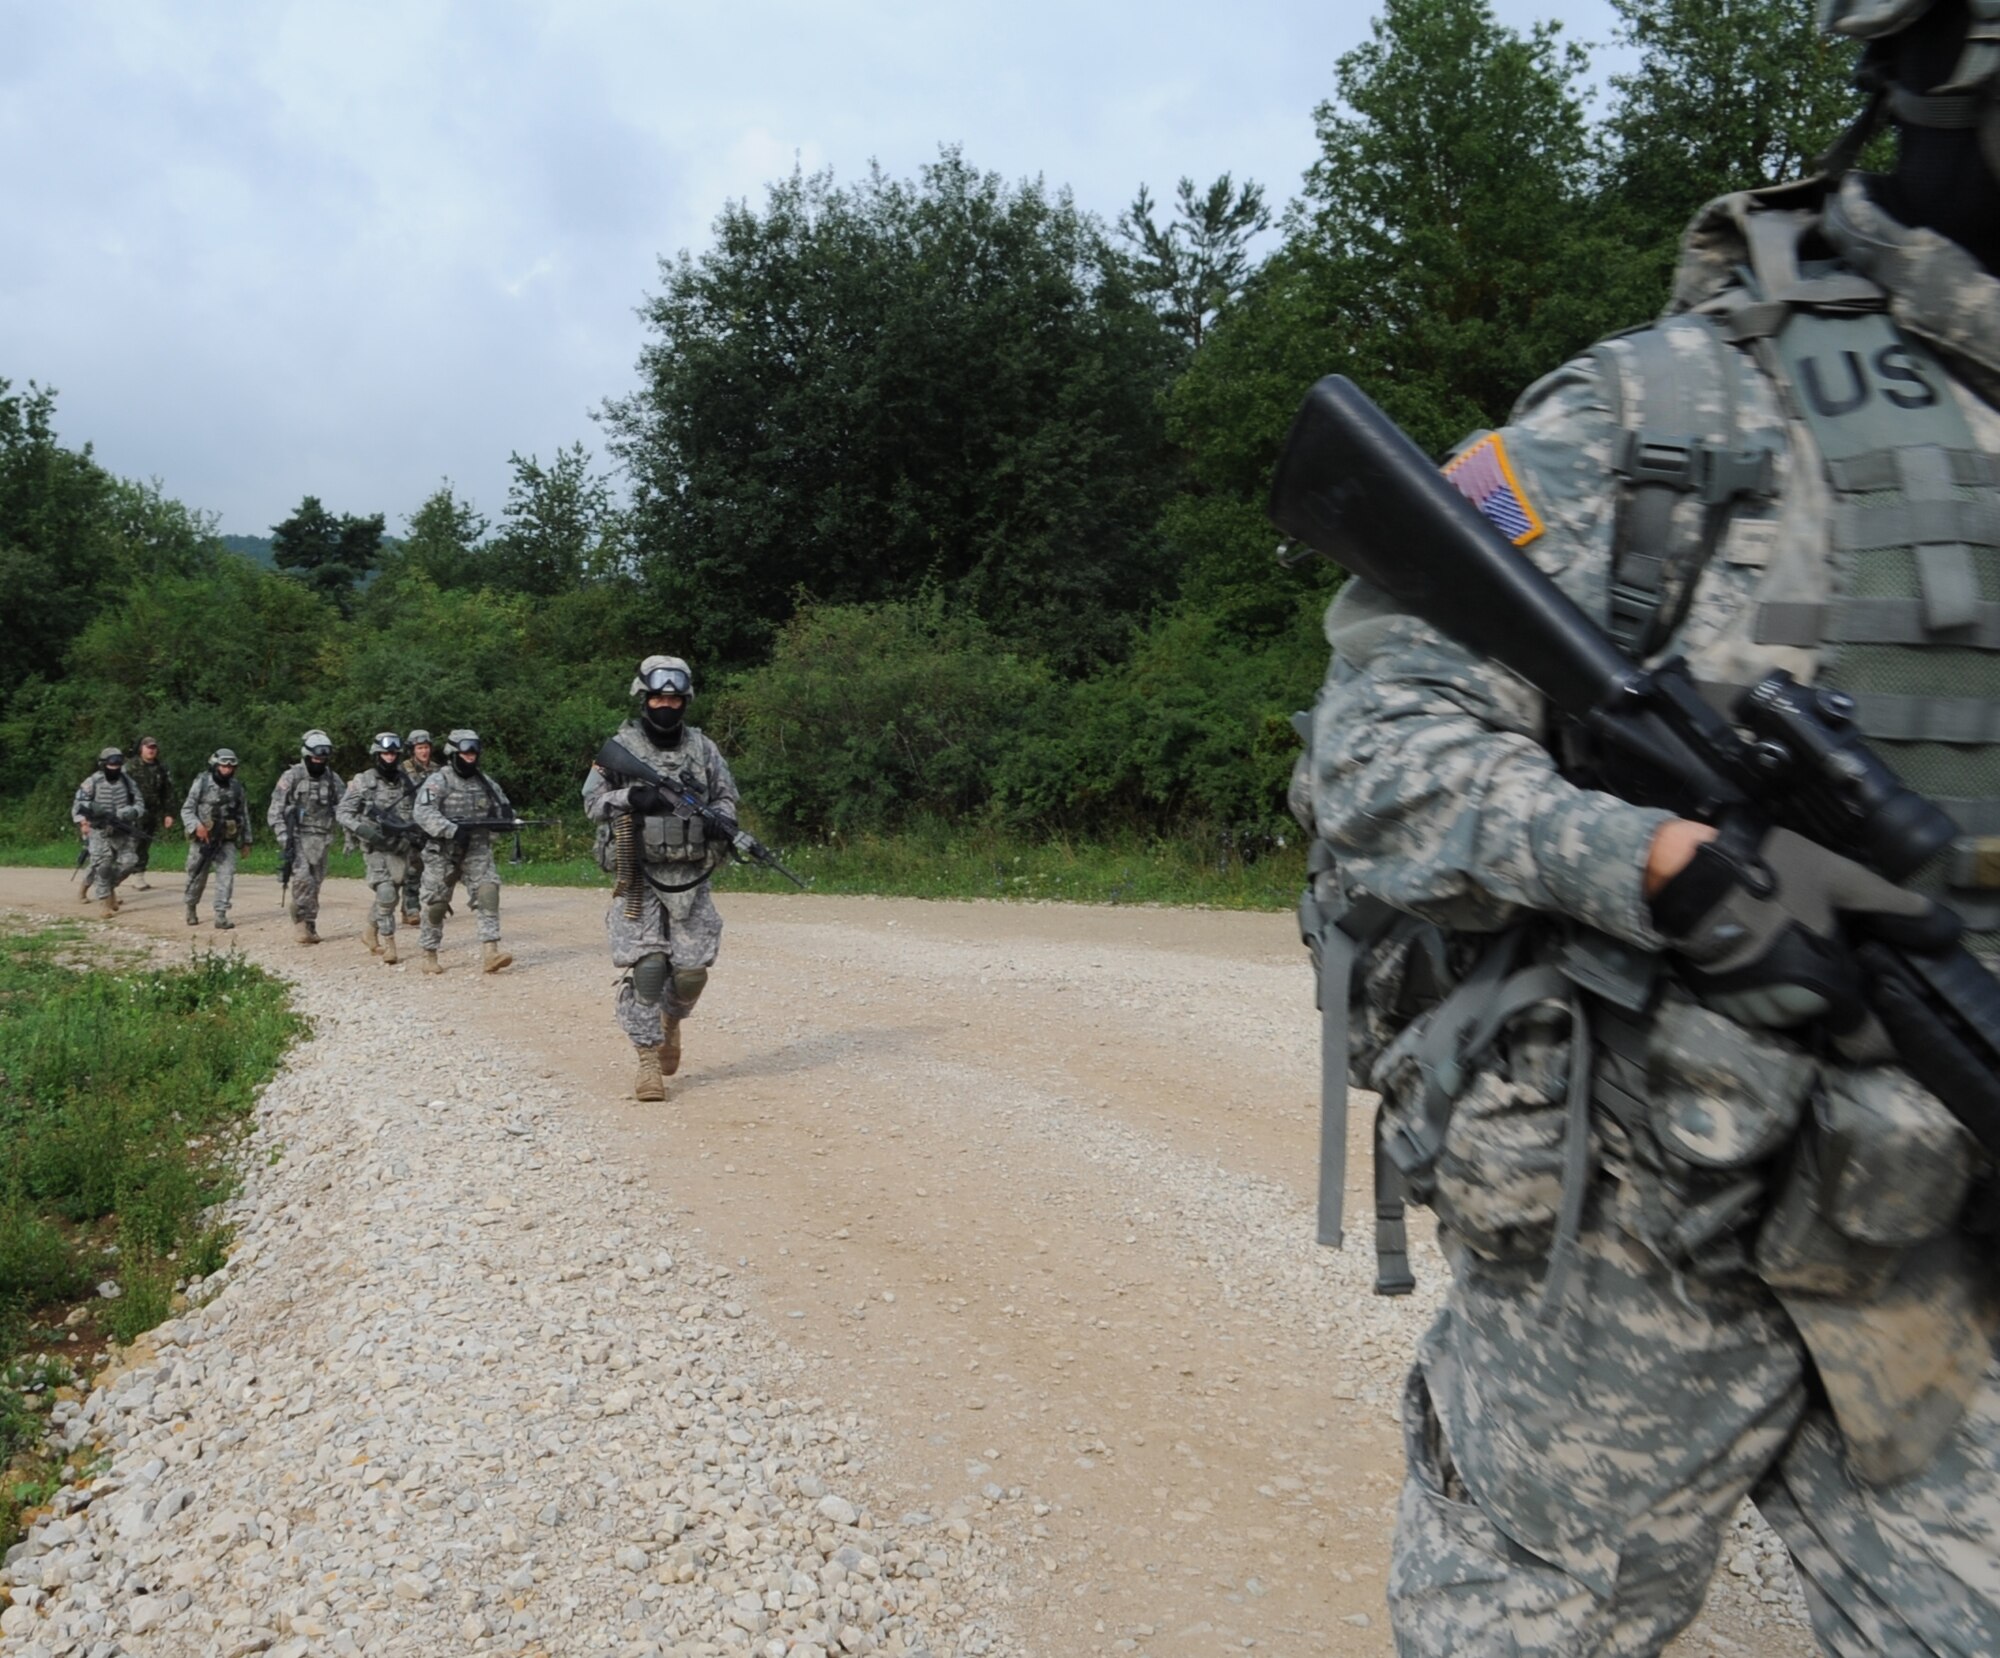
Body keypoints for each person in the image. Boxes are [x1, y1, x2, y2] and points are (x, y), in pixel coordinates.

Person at [1297, 3, 2000, 1650]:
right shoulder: (1675, 405)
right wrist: (1671, 868)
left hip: (1928, 1239)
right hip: (1633, 1240)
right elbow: (1380, 749)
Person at [582, 654, 742, 1101]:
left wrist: (719, 821)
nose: (666, 705)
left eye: (674, 698)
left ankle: (672, 1022)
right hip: (638, 872)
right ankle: (647, 1060)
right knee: (650, 968)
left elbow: (727, 798)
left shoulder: (704, 748)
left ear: (685, 700)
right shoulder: (621, 746)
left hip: (690, 874)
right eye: (658, 697)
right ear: (643, 697)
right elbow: (591, 803)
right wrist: (632, 795)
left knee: (690, 975)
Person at [410, 728, 515, 975]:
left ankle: (491, 951)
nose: (471, 755)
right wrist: (451, 830)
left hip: (477, 849)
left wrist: (504, 823)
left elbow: (504, 809)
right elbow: (423, 812)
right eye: (466, 750)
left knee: (488, 891)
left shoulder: (485, 782)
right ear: (454, 752)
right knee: (436, 904)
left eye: (474, 750)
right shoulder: (439, 780)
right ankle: (429, 952)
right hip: (442, 852)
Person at [336, 731, 418, 964]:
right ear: (377, 754)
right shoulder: (363, 781)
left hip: (399, 845)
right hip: (374, 846)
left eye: (393, 753)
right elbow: (343, 812)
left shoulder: (405, 781)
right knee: (386, 892)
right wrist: (364, 830)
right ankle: (389, 943)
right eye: (385, 753)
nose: (389, 757)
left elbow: (416, 810)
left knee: (392, 894)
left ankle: (369, 930)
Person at [267, 729, 344, 946]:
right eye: (315, 758)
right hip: (297, 836)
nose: (319, 762)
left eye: (323, 759)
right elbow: (275, 810)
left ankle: (310, 922)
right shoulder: (292, 776)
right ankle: (300, 920)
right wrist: (283, 836)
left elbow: (345, 806)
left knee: (316, 883)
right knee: (304, 879)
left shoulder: (332, 779)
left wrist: (351, 834)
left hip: (322, 838)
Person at [180, 748, 251, 930]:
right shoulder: (202, 783)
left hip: (226, 839)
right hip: (203, 839)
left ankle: (221, 915)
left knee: (226, 877)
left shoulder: (237, 787)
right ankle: (191, 907)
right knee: (197, 876)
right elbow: (187, 809)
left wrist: (246, 841)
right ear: (215, 765)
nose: (227, 770)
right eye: (223, 766)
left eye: (230, 767)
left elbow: (244, 814)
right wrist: (197, 826)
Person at [71, 747, 145, 918]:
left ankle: (109, 888)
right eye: (111, 764)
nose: (115, 767)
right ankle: (104, 903)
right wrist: (87, 819)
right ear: (103, 764)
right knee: (103, 866)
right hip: (99, 830)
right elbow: (79, 805)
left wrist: (129, 812)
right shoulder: (92, 782)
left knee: (129, 863)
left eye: (118, 764)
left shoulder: (127, 782)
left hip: (122, 829)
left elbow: (140, 804)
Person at [398, 728, 439, 925]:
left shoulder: (437, 770)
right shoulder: (402, 770)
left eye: (426, 747)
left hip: (430, 823)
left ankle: (429, 903)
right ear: (412, 750)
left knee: (430, 866)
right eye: (420, 748)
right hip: (409, 823)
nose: (424, 752)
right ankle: (410, 907)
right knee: (412, 867)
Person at [128, 736, 175, 890]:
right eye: (148, 747)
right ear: (141, 748)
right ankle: (114, 874)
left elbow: (167, 792)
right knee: (129, 844)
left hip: (151, 813)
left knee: (144, 844)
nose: (151, 750)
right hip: (132, 812)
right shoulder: (130, 767)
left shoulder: (161, 768)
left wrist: (168, 813)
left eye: (154, 747)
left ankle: (138, 876)